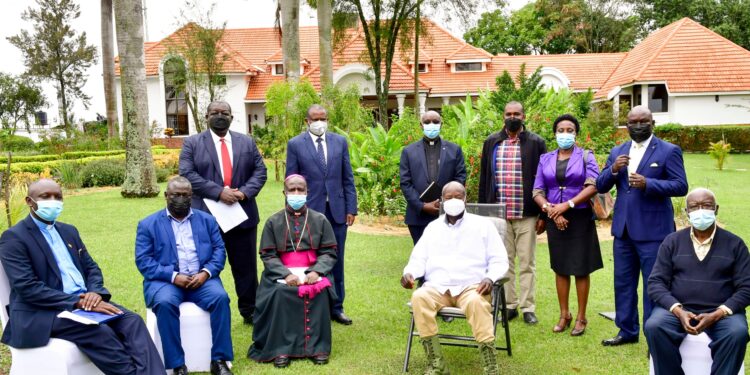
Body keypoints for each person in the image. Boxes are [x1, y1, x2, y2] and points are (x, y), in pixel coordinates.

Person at [0, 179, 165, 375]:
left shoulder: (68, 231)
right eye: (45, 197)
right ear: (30, 201)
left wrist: (95, 293)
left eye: (58, 197)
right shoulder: (14, 238)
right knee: (98, 331)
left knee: (132, 321)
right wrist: (78, 302)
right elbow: (28, 288)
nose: (53, 201)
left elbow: (91, 268)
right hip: (41, 312)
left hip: (84, 302)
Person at [596, 105, 688, 346]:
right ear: (626, 125)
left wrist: (649, 183)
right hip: (623, 231)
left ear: (652, 123)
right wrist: (614, 170)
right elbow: (601, 185)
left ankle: (654, 335)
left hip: (654, 231)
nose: (637, 126)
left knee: (654, 285)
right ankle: (626, 331)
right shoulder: (618, 151)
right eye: (632, 121)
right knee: (623, 283)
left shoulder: (669, 151)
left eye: (643, 121)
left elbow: (681, 186)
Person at [402, 181, 509, 375]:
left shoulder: (483, 226)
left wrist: (490, 278)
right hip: (438, 288)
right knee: (419, 297)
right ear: (441, 200)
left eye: (458, 197)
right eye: (449, 197)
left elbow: (499, 260)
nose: (453, 201)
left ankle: (490, 367)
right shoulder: (433, 228)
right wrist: (409, 273)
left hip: (472, 287)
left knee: (477, 303)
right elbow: (419, 259)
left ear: (466, 199)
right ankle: (437, 364)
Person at [179, 100, 267, 324]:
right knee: (205, 266)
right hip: (206, 219)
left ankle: (251, 311)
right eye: (215, 113)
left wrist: (243, 193)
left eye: (224, 113)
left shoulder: (246, 142)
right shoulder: (192, 143)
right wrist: (219, 193)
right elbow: (187, 174)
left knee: (246, 267)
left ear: (232, 117)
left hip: (241, 216)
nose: (220, 116)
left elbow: (260, 171)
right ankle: (205, 308)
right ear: (206, 116)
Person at [135, 177, 233, 375]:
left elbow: (219, 251)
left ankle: (219, 360)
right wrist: (173, 276)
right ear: (166, 196)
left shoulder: (207, 220)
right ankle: (178, 365)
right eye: (175, 195)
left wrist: (206, 273)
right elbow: (144, 261)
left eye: (185, 195)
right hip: (167, 282)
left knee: (220, 298)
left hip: (202, 279)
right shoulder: (148, 224)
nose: (180, 199)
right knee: (164, 303)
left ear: (192, 196)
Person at [646, 188, 750, 375]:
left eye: (707, 206)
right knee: (655, 326)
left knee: (737, 333)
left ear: (716, 209)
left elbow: (746, 288)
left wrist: (718, 314)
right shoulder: (672, 242)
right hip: (678, 310)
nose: (701, 210)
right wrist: (679, 311)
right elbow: (655, 283)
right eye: (694, 207)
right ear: (687, 212)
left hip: (722, 312)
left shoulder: (735, 244)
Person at [248, 174, 337, 368]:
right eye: (292, 190)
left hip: (312, 272)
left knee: (320, 292)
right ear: (284, 193)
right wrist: (285, 274)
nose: (296, 193)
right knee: (281, 293)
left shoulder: (320, 220)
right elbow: (268, 255)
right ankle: (281, 348)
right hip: (282, 274)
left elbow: (329, 251)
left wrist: (317, 272)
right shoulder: (273, 221)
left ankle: (317, 348)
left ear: (307, 192)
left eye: (300, 190)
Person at [286, 104, 357, 325]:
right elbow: (291, 180)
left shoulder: (339, 142)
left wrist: (351, 208)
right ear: (307, 121)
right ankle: (314, 305)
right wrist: (293, 211)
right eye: (315, 119)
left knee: (336, 259)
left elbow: (347, 178)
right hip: (309, 210)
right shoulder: (296, 144)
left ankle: (337, 307)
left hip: (336, 210)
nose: (320, 122)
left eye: (323, 118)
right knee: (311, 258)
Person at [532, 114, 603, 336]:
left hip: (579, 217)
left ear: (576, 133)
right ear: (555, 133)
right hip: (554, 217)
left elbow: (593, 185)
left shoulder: (586, 156)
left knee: (580, 269)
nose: (565, 133)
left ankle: (581, 317)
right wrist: (551, 210)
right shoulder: (545, 158)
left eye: (569, 130)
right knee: (560, 268)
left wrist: (568, 205)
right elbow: (537, 190)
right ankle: (564, 314)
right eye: (561, 130)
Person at [478, 101, 547, 324]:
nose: (512, 117)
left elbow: (544, 179)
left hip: (527, 213)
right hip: (499, 215)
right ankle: (509, 305)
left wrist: (543, 215)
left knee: (527, 262)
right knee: (503, 261)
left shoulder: (536, 143)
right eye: (508, 114)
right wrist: (483, 213)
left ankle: (528, 307)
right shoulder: (492, 142)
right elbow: (484, 178)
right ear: (503, 117)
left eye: (516, 113)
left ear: (524, 116)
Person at [399, 110, 467, 244]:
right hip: (418, 215)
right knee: (422, 256)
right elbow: (405, 183)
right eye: (427, 122)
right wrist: (422, 206)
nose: (431, 125)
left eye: (435, 122)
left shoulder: (454, 150)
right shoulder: (408, 151)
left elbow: (460, 177)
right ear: (421, 125)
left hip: (448, 213)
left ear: (441, 124)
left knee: (448, 254)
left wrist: (446, 202)